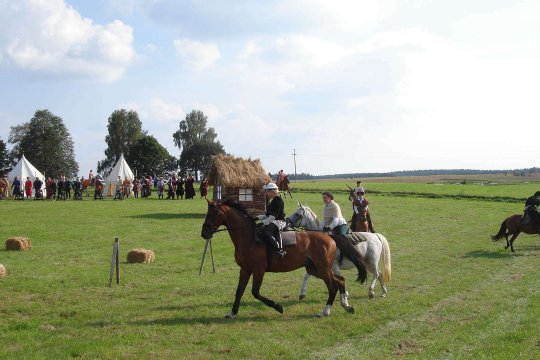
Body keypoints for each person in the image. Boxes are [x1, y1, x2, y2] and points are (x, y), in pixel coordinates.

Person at [258, 182, 287, 258]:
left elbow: (273, 216)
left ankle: (279, 249)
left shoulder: (278, 200)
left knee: (266, 232)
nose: (266, 194)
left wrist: (263, 223)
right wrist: (256, 218)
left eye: (267, 192)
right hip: (273, 220)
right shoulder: (273, 200)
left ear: (272, 191)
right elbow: (267, 215)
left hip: (279, 222)